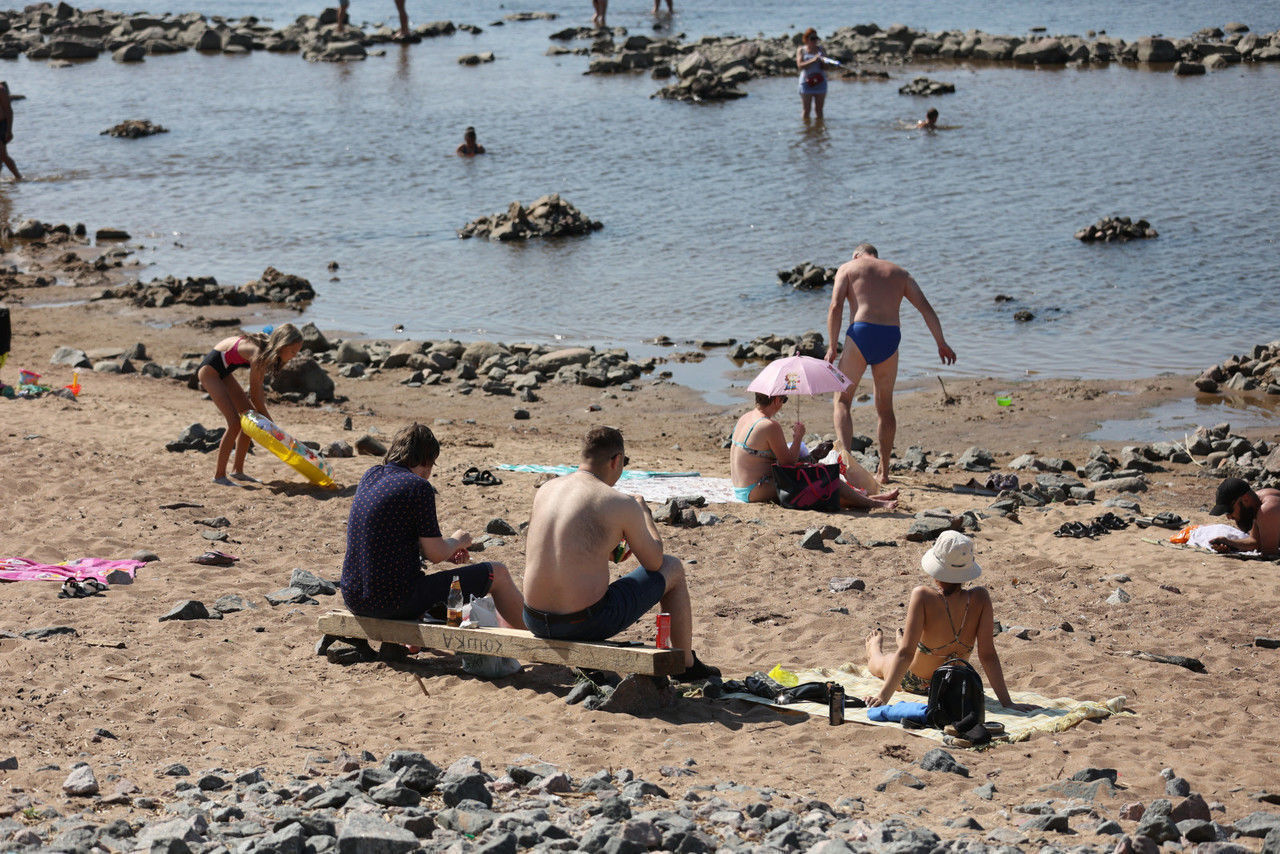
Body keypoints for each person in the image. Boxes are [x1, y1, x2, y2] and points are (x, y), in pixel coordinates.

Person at [523, 426, 717, 681]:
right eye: (624, 462)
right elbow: (654, 561)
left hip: (534, 618)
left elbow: (570, 548)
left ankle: (685, 662)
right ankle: (686, 664)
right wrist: (644, 513)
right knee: (673, 569)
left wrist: (611, 545)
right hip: (582, 624)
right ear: (616, 460)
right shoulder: (620, 502)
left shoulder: (547, 489)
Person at [341, 423, 526, 629]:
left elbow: (392, 537)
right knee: (498, 573)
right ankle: (534, 642)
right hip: (392, 602)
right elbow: (435, 555)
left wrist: (448, 551)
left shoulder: (371, 475)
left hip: (354, 597)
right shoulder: (418, 486)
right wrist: (457, 541)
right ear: (427, 463)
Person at [825, 243, 956, 484]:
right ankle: (884, 472)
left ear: (857, 255)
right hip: (889, 337)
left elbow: (836, 306)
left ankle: (847, 467)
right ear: (876, 256)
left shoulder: (848, 268)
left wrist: (832, 346)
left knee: (842, 400)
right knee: (885, 407)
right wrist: (941, 342)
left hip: (861, 332)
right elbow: (925, 308)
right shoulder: (900, 273)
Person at [863, 531, 1037, 711]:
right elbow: (988, 654)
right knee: (906, 649)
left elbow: (906, 654)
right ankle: (902, 641)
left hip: (915, 682)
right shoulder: (981, 598)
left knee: (884, 661)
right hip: (953, 685)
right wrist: (1007, 702)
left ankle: (875, 648)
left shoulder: (922, 595)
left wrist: (883, 697)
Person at [730, 393, 898, 510]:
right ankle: (874, 504)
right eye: (784, 399)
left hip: (741, 486)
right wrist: (798, 438)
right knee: (826, 480)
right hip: (755, 490)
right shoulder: (769, 425)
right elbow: (788, 463)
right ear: (776, 400)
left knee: (816, 477)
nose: (783, 404)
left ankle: (869, 498)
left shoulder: (746, 417)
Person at [197, 324, 303, 486]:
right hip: (209, 372)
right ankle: (219, 476)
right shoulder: (258, 355)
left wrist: (269, 425)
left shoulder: (268, 347)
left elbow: (257, 395)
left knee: (250, 418)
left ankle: (237, 471)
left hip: (223, 372)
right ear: (282, 346)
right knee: (234, 423)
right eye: (292, 352)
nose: (294, 356)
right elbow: (256, 396)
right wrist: (273, 428)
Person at [1208, 477, 1280, 556]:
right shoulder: (1256, 503)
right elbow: (1255, 542)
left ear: (1245, 499)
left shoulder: (1267, 509)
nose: (1228, 517)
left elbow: (1270, 553)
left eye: (1229, 510)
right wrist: (1228, 543)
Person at [796, 28, 829, 121]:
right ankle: (806, 132)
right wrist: (813, 60)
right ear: (806, 39)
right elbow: (800, 65)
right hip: (806, 83)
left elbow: (826, 68)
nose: (815, 41)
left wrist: (823, 61)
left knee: (819, 110)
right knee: (806, 110)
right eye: (812, 38)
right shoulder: (801, 50)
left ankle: (819, 131)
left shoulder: (821, 50)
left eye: (816, 38)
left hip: (820, 82)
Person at [0, 82, 20, 181]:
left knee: (2, 154)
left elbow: (8, 110)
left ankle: (18, 177)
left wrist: (9, 130)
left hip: (1, 125)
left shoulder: (1, 90)